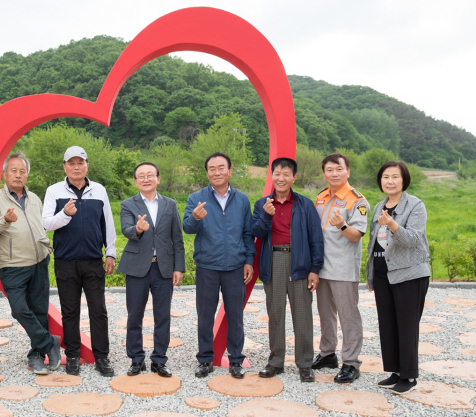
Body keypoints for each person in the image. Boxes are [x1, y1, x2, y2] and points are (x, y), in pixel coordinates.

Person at [42, 146, 117, 377]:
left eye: (80, 162)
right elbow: (45, 224)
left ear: (87, 165)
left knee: (98, 310)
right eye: (71, 163)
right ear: (64, 166)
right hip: (65, 261)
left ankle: (101, 357)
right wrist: (65, 214)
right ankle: (72, 355)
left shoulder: (99, 190)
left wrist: (111, 252)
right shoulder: (54, 191)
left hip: (93, 260)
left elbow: (108, 223)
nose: (76, 167)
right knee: (70, 311)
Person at [0, 153, 61, 375]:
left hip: (38, 260)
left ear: (27, 174)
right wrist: (5, 220)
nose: (18, 175)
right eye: (14, 171)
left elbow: (40, 226)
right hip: (13, 264)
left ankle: (36, 356)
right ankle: (50, 343)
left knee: (39, 310)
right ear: (5, 174)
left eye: (22, 171)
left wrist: (46, 246)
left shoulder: (35, 198)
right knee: (19, 309)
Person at [251, 157, 324, 383]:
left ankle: (305, 363)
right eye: (277, 173)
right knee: (275, 314)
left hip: (299, 261)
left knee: (302, 315)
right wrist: (266, 215)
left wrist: (315, 268)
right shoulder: (262, 203)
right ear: (271, 175)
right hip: (273, 260)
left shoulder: (305, 204)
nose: (281, 178)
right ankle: (276, 361)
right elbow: (256, 232)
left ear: (294, 177)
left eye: (286, 174)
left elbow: (316, 238)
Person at [183, 152, 255, 379]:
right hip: (207, 266)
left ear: (230, 171)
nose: (217, 172)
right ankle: (205, 360)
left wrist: (249, 261)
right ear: (207, 173)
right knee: (205, 315)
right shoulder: (196, 198)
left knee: (235, 316)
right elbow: (187, 227)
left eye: (221, 167)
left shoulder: (242, 199)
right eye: (212, 168)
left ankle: (235, 360)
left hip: (235, 266)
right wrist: (195, 217)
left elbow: (247, 233)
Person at [366, 161, 430, 395]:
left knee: (406, 325)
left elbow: (413, 239)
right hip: (384, 274)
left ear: (404, 180)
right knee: (388, 325)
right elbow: (373, 244)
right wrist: (372, 274)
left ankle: (409, 376)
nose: (390, 181)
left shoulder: (415, 205)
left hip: (410, 274)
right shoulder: (378, 206)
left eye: (395, 177)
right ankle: (395, 371)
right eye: (385, 177)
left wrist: (392, 224)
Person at [119, 162, 185, 378]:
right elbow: (126, 229)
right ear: (135, 181)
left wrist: (179, 267)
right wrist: (137, 229)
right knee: (134, 316)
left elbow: (177, 238)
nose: (146, 179)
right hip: (137, 268)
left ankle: (159, 360)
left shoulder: (170, 204)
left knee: (162, 316)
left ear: (158, 178)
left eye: (150, 175)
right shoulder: (128, 204)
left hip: (163, 268)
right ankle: (136, 359)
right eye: (141, 176)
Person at [313, 153, 369, 383]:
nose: (334, 174)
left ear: (348, 171)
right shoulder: (320, 197)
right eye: (329, 170)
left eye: (339, 169)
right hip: (321, 266)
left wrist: (343, 225)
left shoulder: (358, 200)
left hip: (343, 268)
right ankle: (327, 353)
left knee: (348, 316)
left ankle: (351, 362)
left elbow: (355, 235)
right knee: (326, 315)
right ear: (324, 173)